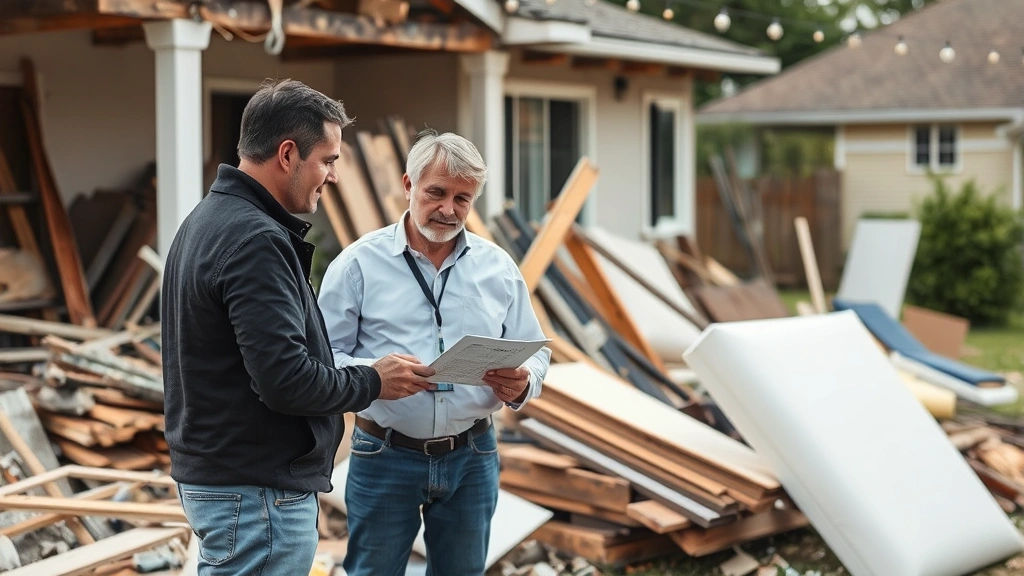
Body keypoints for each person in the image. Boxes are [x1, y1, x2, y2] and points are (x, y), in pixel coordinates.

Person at [161, 79, 436, 576]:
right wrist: (374, 380)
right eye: (327, 160)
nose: (333, 175)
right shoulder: (255, 240)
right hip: (258, 493)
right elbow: (286, 382)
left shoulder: (206, 220)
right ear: (288, 154)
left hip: (230, 484)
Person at [318, 129, 552, 576]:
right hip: (384, 453)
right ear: (408, 185)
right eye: (437, 193)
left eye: (463, 198)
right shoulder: (358, 264)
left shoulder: (498, 268)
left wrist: (524, 382)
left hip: (473, 456)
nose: (449, 209)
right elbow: (322, 357)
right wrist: (374, 375)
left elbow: (536, 351)